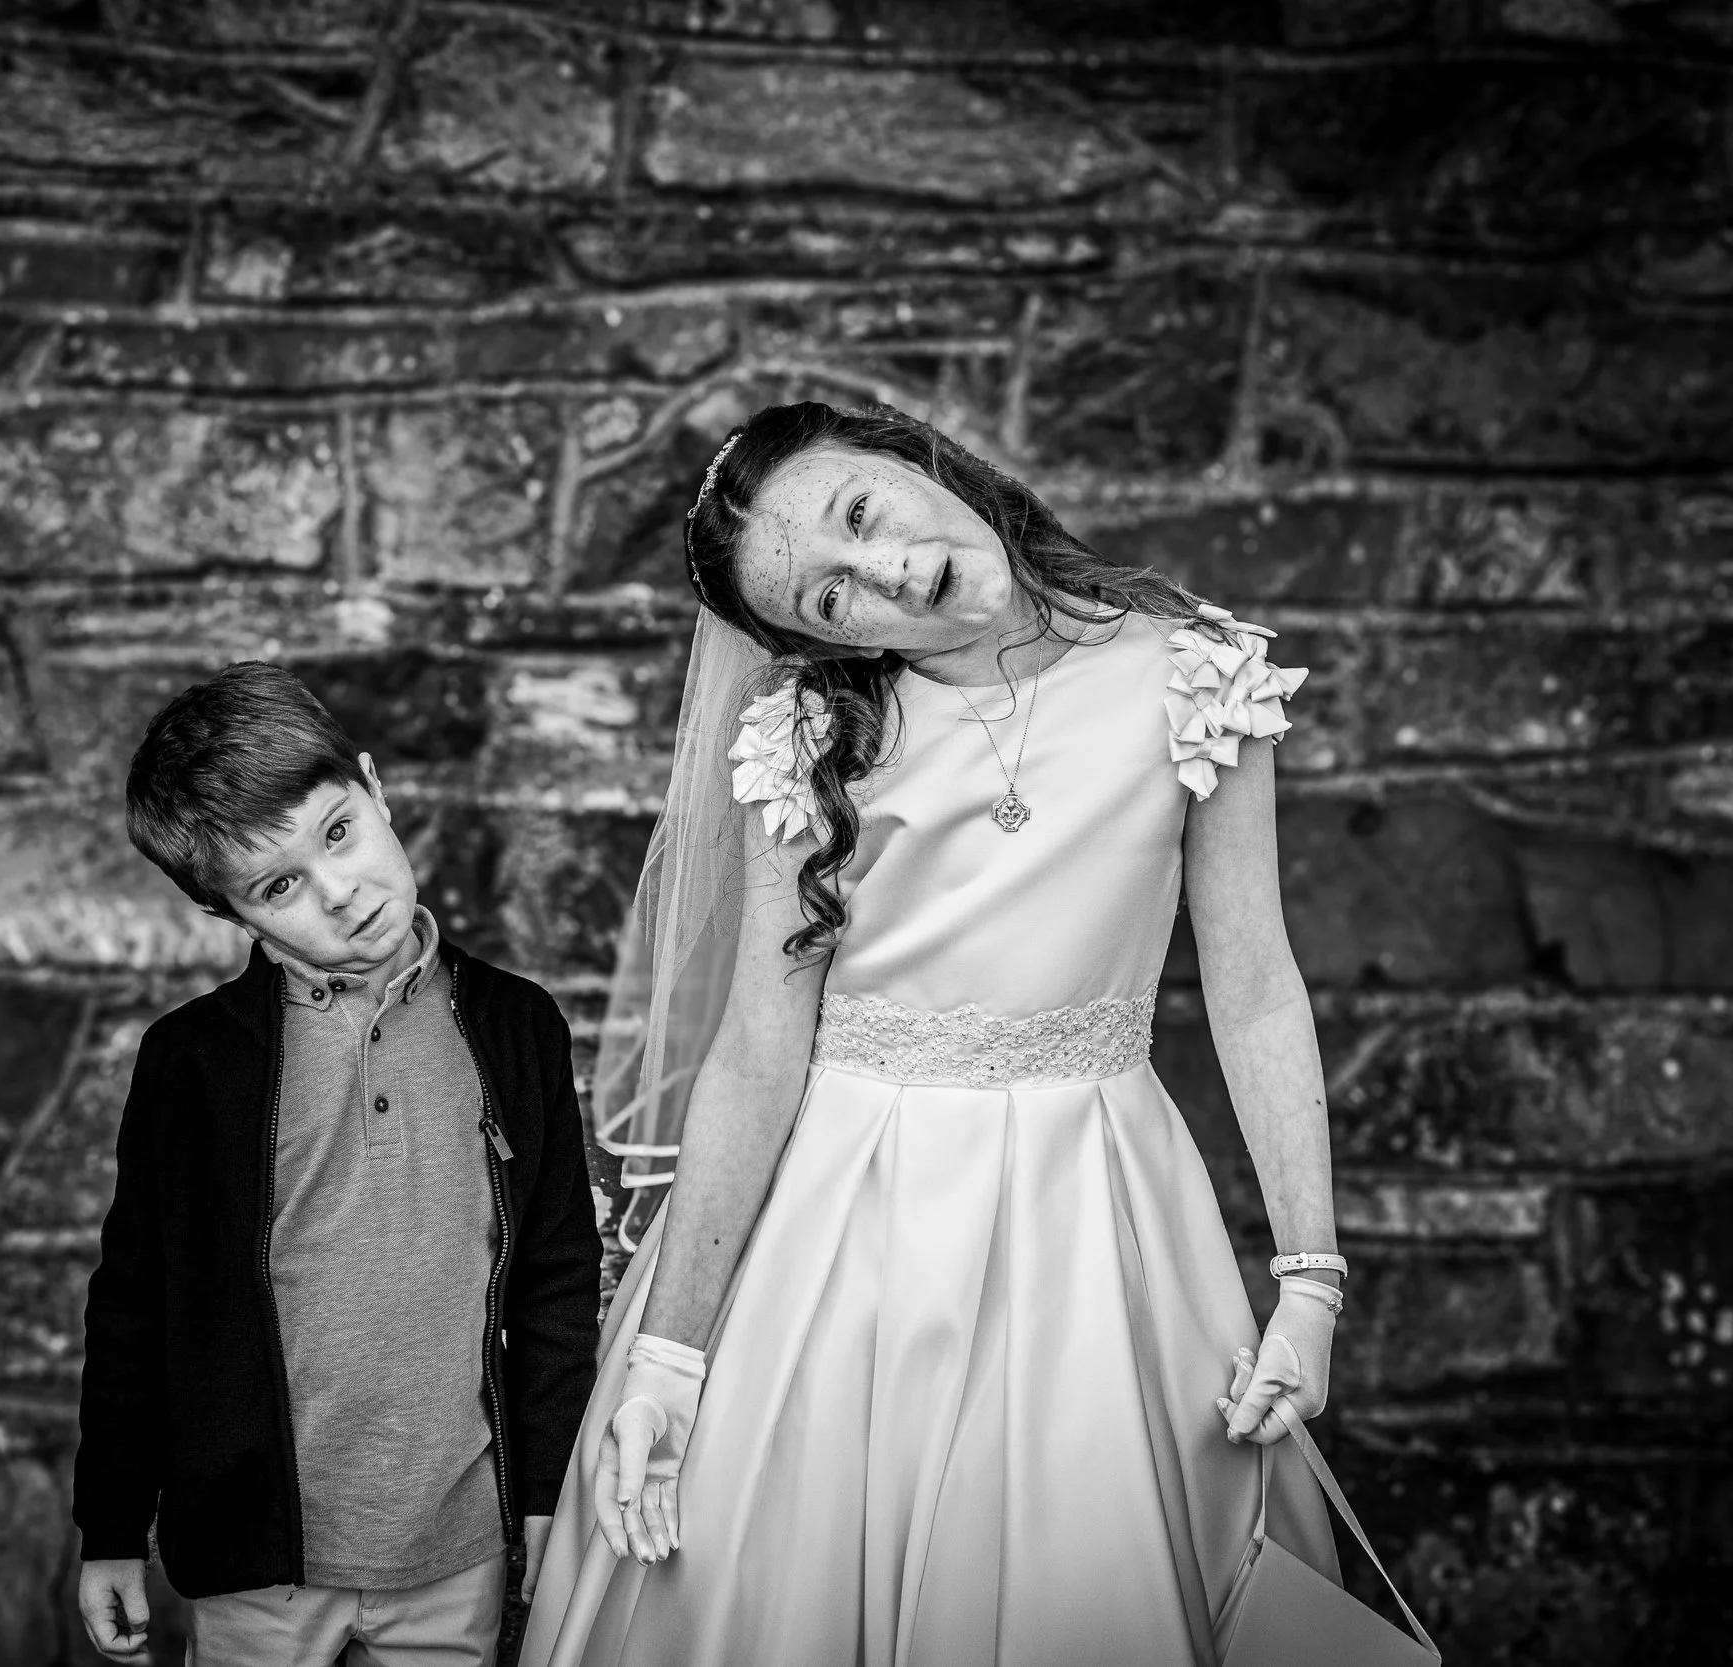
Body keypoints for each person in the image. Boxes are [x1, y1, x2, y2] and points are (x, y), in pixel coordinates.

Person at [522, 402, 1349, 1666]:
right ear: (811, 642)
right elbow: (756, 1048)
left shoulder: (1193, 673)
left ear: (913, 457)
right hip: (842, 1221)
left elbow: (1253, 988)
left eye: (861, 514)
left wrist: (1310, 1278)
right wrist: (672, 1357)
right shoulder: (811, 741)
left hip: (1095, 1210)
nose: (888, 571)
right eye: (831, 600)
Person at [75, 662, 603, 1666]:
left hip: (454, 1548)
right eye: (280, 886)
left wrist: (545, 1493)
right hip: (257, 1557)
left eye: (337, 831)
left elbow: (553, 1275)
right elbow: (136, 1301)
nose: (340, 892)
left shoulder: (514, 1024)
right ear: (230, 913)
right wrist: (109, 1527)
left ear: (373, 786)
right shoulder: (193, 1064)